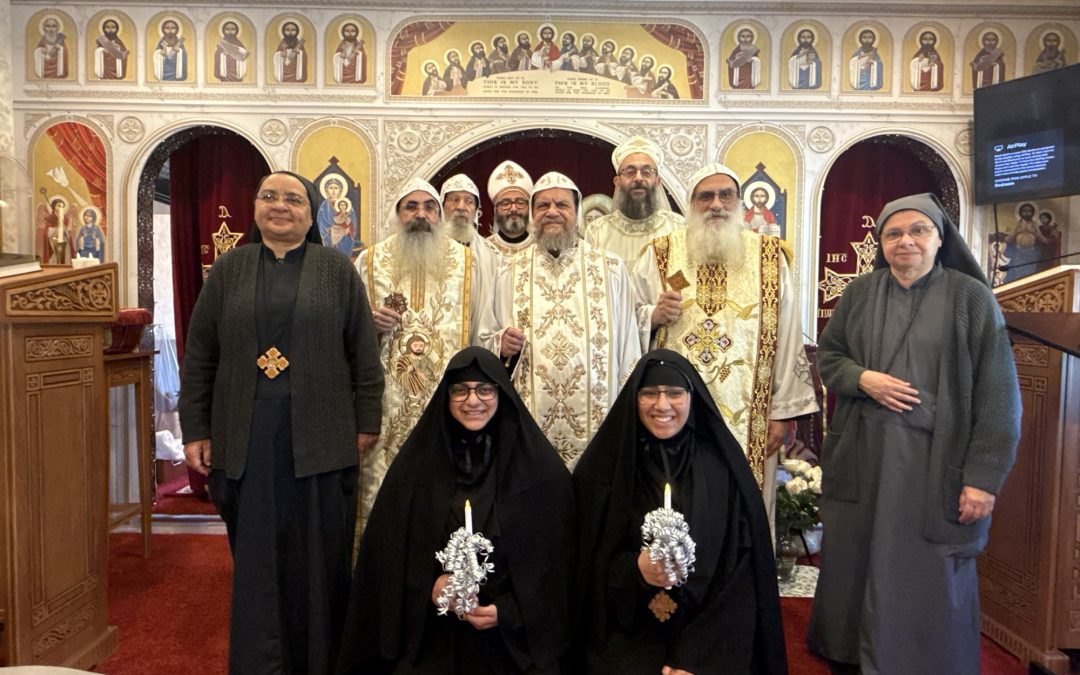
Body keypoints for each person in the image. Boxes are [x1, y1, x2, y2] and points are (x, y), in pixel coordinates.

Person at [179, 170, 384, 675]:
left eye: (293, 198)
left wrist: (366, 421)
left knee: (317, 562)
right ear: (254, 209)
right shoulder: (229, 270)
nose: (280, 206)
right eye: (268, 196)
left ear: (310, 211)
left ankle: (320, 661)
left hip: (320, 439)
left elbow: (363, 354)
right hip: (244, 438)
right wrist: (196, 429)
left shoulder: (337, 271)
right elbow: (201, 354)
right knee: (256, 560)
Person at [807, 193, 1021, 674]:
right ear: (880, 243)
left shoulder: (971, 298)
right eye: (893, 233)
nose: (905, 241)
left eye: (918, 231)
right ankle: (850, 651)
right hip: (867, 457)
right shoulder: (859, 294)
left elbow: (999, 395)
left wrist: (983, 478)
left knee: (928, 570)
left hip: (933, 465)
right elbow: (830, 356)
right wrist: (864, 379)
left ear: (939, 239)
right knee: (857, 557)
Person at [337, 347, 575, 674]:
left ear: (502, 394)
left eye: (484, 389)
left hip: (513, 646)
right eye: (460, 390)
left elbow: (560, 572)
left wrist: (507, 612)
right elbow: (386, 569)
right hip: (433, 637)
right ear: (446, 398)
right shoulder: (415, 472)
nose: (472, 400)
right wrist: (432, 588)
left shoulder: (540, 473)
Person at [573, 350, 787, 674]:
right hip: (626, 633)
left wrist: (694, 657)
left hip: (708, 635)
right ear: (634, 398)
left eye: (674, 393)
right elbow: (582, 569)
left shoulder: (721, 471)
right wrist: (635, 571)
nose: (662, 406)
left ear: (691, 398)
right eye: (650, 394)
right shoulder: (603, 472)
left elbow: (739, 574)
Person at [634, 164, 819, 521]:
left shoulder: (769, 257)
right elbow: (630, 325)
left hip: (749, 415)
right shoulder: (659, 255)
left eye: (726, 195)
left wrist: (780, 413)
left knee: (741, 508)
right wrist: (652, 317)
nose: (716, 204)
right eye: (705, 196)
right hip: (671, 413)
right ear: (690, 203)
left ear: (740, 203)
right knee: (677, 501)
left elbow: (788, 333)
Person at [481, 171, 642, 469]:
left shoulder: (611, 269)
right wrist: (500, 343)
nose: (552, 212)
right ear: (532, 215)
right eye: (543, 206)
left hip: (599, 424)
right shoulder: (508, 270)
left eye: (561, 205)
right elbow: (485, 336)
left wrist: (626, 414)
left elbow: (629, 344)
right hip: (527, 423)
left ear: (577, 213)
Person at [354, 178, 483, 529]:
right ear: (397, 214)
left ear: (439, 215)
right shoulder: (369, 261)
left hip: (448, 401)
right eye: (411, 206)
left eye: (429, 207)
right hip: (385, 406)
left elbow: (481, 331)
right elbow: (348, 332)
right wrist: (371, 325)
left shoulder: (468, 262)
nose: (421, 214)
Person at [585, 135, 685, 268]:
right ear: (618, 182)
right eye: (630, 172)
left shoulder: (677, 227)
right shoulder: (598, 231)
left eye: (647, 172)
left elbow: (685, 277)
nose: (638, 178)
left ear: (657, 182)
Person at [440, 173, 502, 306]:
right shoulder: (428, 250)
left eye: (469, 202)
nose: (461, 207)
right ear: (442, 206)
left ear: (476, 211)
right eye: (454, 200)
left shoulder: (492, 255)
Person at [486, 160, 535, 255]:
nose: (513, 209)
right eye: (505, 203)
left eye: (520, 202)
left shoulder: (541, 250)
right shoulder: (484, 250)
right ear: (496, 209)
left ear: (529, 208)